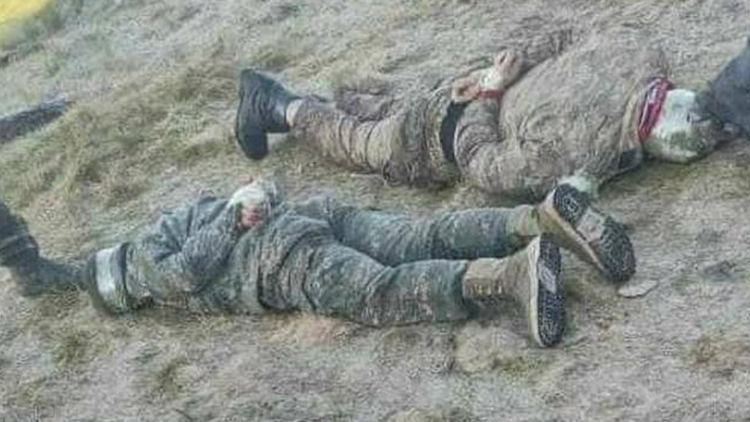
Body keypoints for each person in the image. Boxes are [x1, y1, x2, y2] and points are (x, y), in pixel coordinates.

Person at [0, 179, 634, 348]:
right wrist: (247, 204)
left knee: (383, 291)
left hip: (286, 264)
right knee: (420, 236)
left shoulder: (144, 266)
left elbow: (186, 274)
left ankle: (512, 275)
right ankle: (536, 219)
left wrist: (234, 223)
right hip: (313, 215)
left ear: (120, 286)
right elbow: (248, 194)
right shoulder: (174, 217)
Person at [234, 27, 742, 201]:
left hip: (465, 85)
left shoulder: (639, 50)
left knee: (380, 107)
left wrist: (506, 66)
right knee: (355, 141)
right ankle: (275, 104)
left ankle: (320, 99)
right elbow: (478, 162)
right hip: (440, 135)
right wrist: (490, 96)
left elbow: (563, 36)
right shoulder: (579, 151)